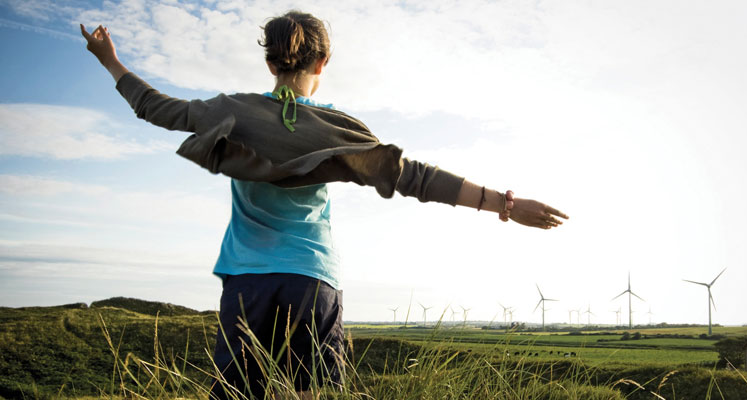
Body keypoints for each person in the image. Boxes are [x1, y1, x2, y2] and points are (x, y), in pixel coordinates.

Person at [80, 10, 568, 399]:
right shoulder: (337, 126)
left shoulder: (233, 110)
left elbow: (154, 107)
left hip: (247, 282)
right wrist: (504, 204)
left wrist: (109, 59)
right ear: (323, 63)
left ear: (270, 63)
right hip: (313, 281)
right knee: (313, 392)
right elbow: (415, 177)